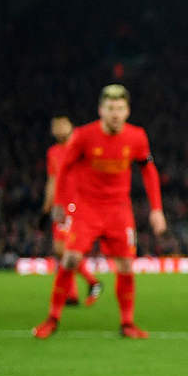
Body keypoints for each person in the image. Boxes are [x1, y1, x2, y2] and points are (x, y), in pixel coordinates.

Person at [34, 86, 166, 339]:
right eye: (110, 109)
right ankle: (52, 319)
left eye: (119, 109)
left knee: (126, 265)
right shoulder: (84, 136)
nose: (115, 114)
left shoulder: (137, 137)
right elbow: (64, 168)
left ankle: (127, 323)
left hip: (119, 210)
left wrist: (156, 209)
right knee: (70, 259)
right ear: (101, 110)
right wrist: (60, 203)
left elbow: (149, 171)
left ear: (127, 111)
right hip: (87, 209)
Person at [42, 115, 102, 307]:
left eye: (62, 125)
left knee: (65, 249)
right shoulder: (53, 152)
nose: (59, 129)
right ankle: (75, 292)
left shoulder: (81, 145)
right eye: (55, 126)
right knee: (62, 251)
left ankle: (91, 282)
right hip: (61, 205)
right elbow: (52, 180)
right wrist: (47, 206)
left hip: (77, 203)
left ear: (71, 126)